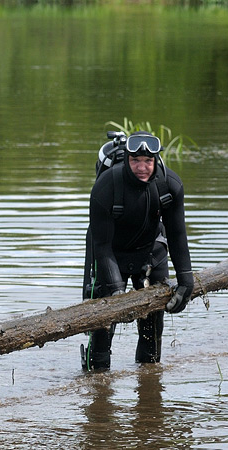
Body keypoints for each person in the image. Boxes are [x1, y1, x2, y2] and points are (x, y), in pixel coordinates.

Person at [81, 131, 194, 371]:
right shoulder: (105, 187)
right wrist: (116, 292)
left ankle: (150, 393)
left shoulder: (169, 186)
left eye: (148, 161)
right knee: (101, 335)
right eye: (135, 161)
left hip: (151, 252)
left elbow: (177, 235)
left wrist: (186, 280)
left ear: (156, 161)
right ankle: (97, 390)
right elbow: (101, 245)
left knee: (151, 341)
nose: (142, 167)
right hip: (109, 253)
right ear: (128, 160)